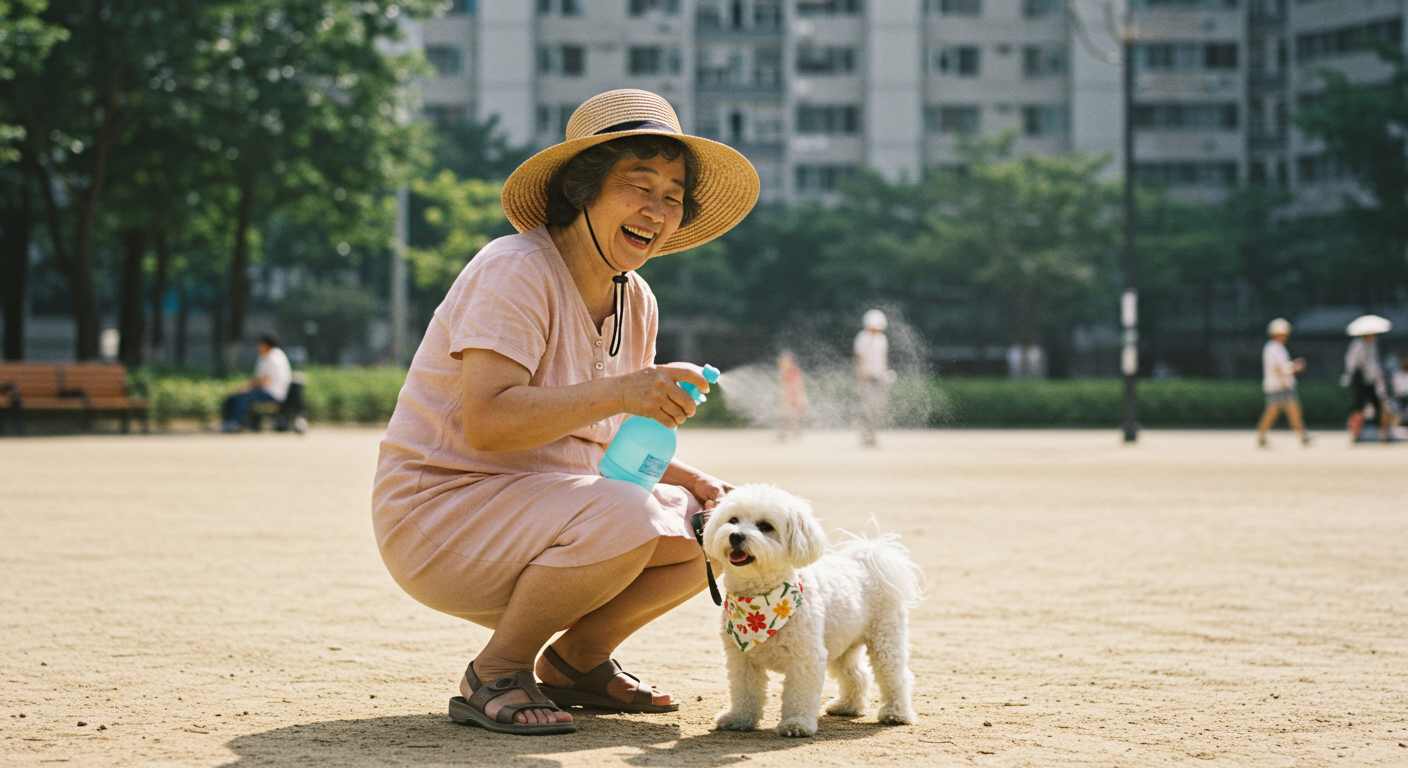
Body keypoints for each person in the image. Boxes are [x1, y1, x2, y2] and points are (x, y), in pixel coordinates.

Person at [372, 89, 759, 735]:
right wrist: (627, 391)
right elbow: (490, 424)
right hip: (441, 513)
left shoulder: (636, 299)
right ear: (583, 189)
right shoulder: (514, 268)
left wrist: (692, 483)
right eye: (638, 186)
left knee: (721, 524)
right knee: (624, 512)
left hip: (546, 508)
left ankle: (577, 663)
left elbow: (602, 441)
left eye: (671, 196)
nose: (656, 210)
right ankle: (495, 672)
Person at [220, 333, 291, 432]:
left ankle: (237, 423)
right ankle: (228, 423)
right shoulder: (267, 356)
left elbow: (265, 381)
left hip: (273, 394)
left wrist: (247, 388)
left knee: (243, 397)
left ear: (266, 345)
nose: (258, 347)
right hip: (265, 391)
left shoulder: (273, 357)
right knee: (232, 397)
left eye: (260, 344)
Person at [1255, 318, 1309, 448]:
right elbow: (1277, 368)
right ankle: (1261, 436)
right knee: (1272, 412)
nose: (1285, 336)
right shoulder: (1271, 348)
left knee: (1294, 410)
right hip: (1276, 386)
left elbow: (1282, 367)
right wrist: (1295, 367)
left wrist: (1291, 368)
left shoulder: (1279, 348)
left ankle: (1303, 436)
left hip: (1285, 385)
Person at [1342, 314, 1394, 443]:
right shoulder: (1357, 345)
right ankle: (1355, 435)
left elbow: (1374, 365)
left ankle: (1384, 435)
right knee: (1358, 409)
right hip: (1359, 381)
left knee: (1380, 406)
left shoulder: (1373, 345)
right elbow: (1351, 364)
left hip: (1371, 381)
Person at [854, 308, 892, 447]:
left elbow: (883, 359)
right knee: (867, 409)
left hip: (879, 378)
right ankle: (866, 436)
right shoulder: (862, 338)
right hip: (867, 379)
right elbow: (859, 360)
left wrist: (885, 374)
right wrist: (860, 379)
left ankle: (873, 435)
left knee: (878, 409)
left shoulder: (882, 339)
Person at [776, 349, 808, 441]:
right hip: (787, 396)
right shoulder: (783, 371)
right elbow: (783, 385)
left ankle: (794, 433)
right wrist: (783, 396)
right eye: (782, 360)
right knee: (785, 415)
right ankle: (784, 433)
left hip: (794, 396)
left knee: (793, 416)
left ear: (791, 361)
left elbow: (798, 384)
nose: (783, 362)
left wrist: (799, 398)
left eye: (785, 360)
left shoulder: (794, 370)